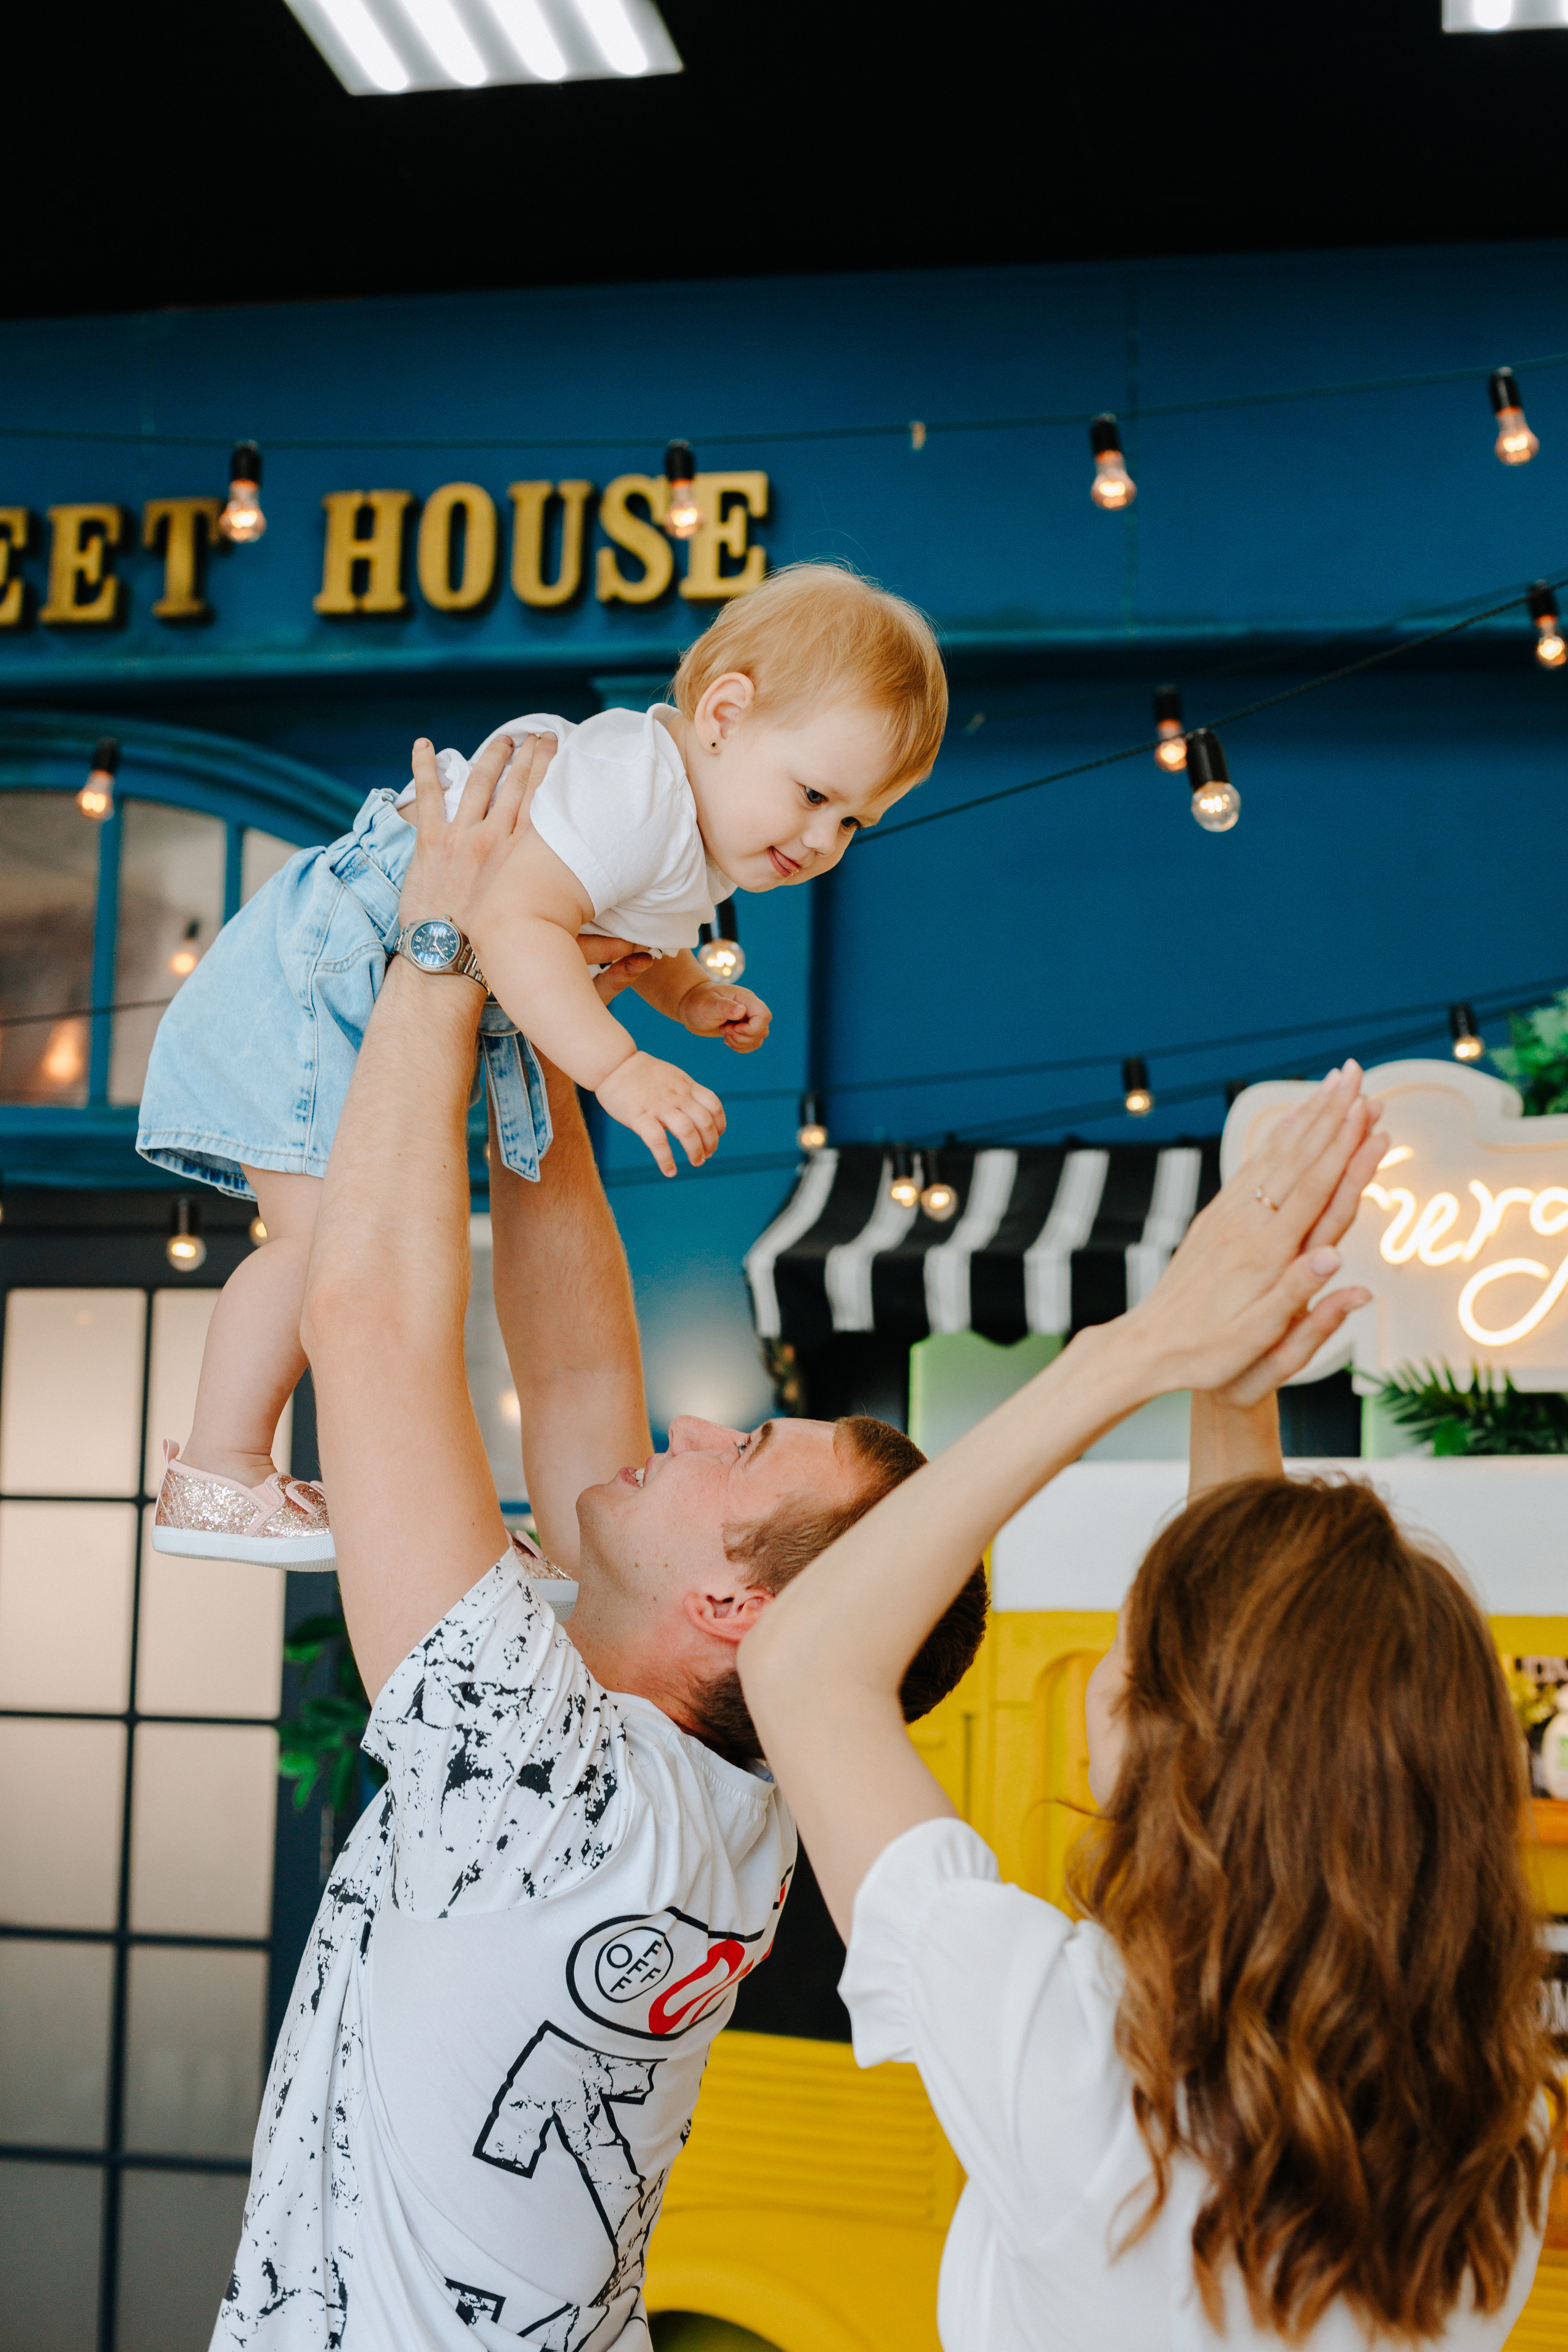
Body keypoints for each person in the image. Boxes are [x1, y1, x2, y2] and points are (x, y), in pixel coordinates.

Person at [213, 732, 986, 2351]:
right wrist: (534, 999)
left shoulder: (550, 1774)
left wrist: (441, 947)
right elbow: (569, 1368)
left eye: (744, 1453)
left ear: (726, 1600)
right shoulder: (722, 1800)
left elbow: (361, 1322)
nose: (695, 1430)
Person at [738, 1065, 1562, 2351]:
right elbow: (1248, 1675)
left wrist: (1135, 1349)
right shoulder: (1490, 2131)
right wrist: (1225, 1382)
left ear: (1147, 1731)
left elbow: (800, 1661)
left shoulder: (1076, 2070)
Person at [138, 562, 947, 1564]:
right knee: (342, 1258)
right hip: (322, 972)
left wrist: (686, 995)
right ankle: (217, 1467)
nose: (825, 838)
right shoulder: (632, 791)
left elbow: (615, 923)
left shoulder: (680, 831)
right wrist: (618, 1067)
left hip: (357, 983)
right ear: (726, 713)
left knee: (375, 1263)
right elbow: (515, 919)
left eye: (853, 821)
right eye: (815, 794)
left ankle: (373, 1500)